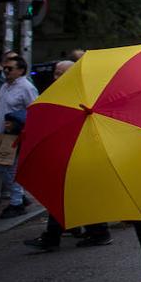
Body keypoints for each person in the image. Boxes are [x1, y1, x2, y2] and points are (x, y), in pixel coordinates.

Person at [23, 60, 113, 249]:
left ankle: (58, 236)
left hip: (84, 152)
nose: (57, 78)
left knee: (71, 192)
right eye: (56, 73)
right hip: (67, 150)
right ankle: (95, 232)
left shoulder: (85, 95)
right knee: (73, 193)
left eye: (62, 74)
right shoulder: (55, 96)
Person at [0, 54, 37, 217]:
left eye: (10, 68)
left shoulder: (26, 87)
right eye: (4, 68)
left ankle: (17, 203)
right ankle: (18, 196)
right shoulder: (5, 86)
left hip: (14, 135)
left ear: (21, 70)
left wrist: (19, 126)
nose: (6, 71)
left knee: (10, 169)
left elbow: (34, 111)